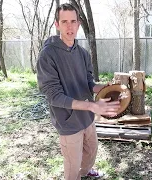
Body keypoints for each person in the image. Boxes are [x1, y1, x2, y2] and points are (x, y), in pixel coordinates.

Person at [36, 3, 120, 180]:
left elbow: (88, 82)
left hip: (87, 117)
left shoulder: (82, 53)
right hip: (68, 121)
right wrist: (92, 106)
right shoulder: (48, 55)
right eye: (64, 21)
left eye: (73, 21)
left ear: (79, 23)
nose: (69, 26)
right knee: (72, 166)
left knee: (91, 151)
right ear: (56, 24)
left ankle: (86, 171)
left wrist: (104, 88)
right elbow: (54, 96)